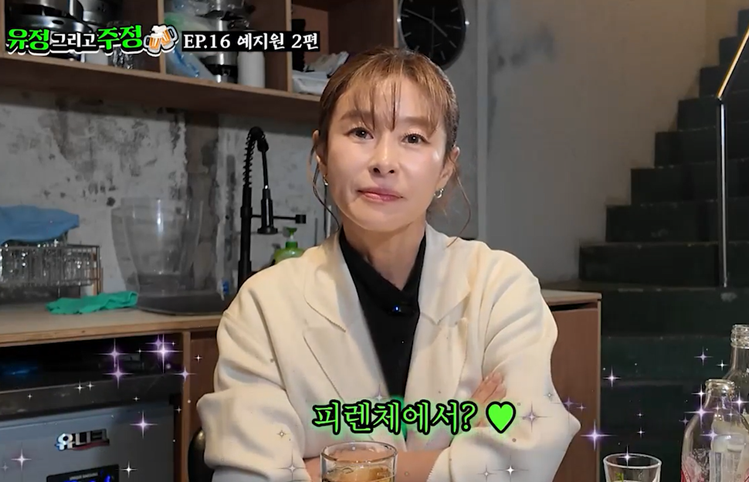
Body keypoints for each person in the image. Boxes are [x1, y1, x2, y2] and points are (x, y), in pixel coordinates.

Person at [196, 47, 580, 482]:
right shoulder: (263, 308)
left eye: (413, 138)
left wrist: (326, 470)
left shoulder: (499, 289)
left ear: (445, 168)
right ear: (322, 153)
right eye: (360, 131)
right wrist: (456, 455)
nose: (383, 161)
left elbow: (523, 463)